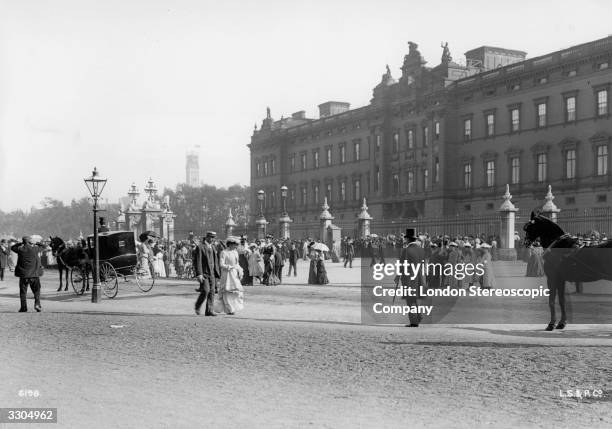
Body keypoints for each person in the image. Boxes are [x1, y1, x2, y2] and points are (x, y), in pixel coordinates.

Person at [399, 228, 426, 327]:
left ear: (408, 240)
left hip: (409, 277)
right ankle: (418, 316)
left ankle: (414, 321)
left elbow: (402, 264)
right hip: (419, 277)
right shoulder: (420, 249)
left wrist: (399, 274)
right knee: (413, 298)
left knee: (410, 299)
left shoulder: (406, 250)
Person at [11, 236, 44, 312]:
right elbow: (44, 246)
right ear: (30, 242)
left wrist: (21, 243)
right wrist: (36, 243)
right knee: (37, 290)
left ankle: (23, 307)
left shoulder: (20, 249)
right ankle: (37, 304)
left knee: (23, 292)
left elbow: (12, 247)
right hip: (34, 274)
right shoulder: (35, 249)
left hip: (23, 275)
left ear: (23, 242)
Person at [214, 237, 244, 315]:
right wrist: (229, 267)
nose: (236, 246)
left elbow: (237, 263)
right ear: (230, 244)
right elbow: (221, 264)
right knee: (226, 291)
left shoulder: (235, 252)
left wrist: (240, 270)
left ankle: (233, 307)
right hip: (227, 274)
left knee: (235, 292)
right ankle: (229, 309)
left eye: (236, 245)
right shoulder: (224, 252)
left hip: (234, 273)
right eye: (234, 245)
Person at [194, 231, 221, 316]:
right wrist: (199, 274)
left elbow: (215, 261)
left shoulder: (213, 247)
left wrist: (217, 273)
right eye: (210, 237)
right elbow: (198, 261)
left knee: (212, 292)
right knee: (206, 290)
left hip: (212, 273)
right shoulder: (200, 247)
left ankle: (209, 310)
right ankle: (197, 305)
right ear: (206, 237)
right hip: (204, 273)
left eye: (213, 237)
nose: (212, 239)